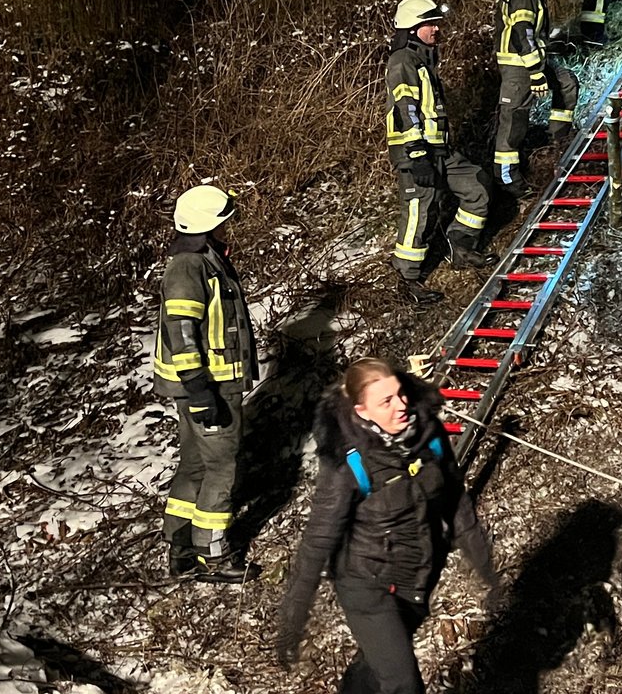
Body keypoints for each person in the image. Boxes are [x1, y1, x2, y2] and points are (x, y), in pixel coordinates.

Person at [273, 358, 501, 693]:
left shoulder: (429, 436)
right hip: (367, 585)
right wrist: (292, 618)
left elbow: (456, 504)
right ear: (362, 411)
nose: (401, 406)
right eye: (386, 401)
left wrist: (489, 573)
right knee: (402, 682)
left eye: (400, 394)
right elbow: (318, 540)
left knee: (378, 661)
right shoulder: (349, 463)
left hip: (416, 577)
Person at [153, 184, 260, 584]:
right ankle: (213, 557)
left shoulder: (203, 260)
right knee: (221, 469)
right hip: (209, 384)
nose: (229, 227)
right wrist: (201, 390)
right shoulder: (190, 266)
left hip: (203, 384)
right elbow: (180, 330)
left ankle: (181, 546)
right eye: (225, 221)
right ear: (209, 225)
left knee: (195, 465)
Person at [385, 0, 497, 304]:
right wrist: (417, 152)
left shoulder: (422, 58)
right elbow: (405, 108)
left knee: (477, 184)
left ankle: (460, 247)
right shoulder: (403, 61)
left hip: (440, 150)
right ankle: (407, 281)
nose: (437, 29)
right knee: (419, 211)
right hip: (417, 152)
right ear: (412, 28)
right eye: (429, 24)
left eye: (436, 22)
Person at [492, 0, 579, 198]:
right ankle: (507, 180)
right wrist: (536, 73)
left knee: (566, 83)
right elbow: (522, 33)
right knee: (513, 124)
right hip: (519, 66)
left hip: (529, 63)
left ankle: (560, 140)